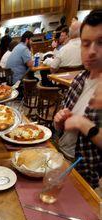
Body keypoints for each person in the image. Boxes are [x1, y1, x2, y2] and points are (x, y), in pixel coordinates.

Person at [54, 9, 102, 188]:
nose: (91, 51)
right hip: (61, 160)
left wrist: (83, 124)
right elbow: (61, 126)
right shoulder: (80, 78)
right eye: (86, 43)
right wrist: (59, 120)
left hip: (87, 176)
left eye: (100, 42)